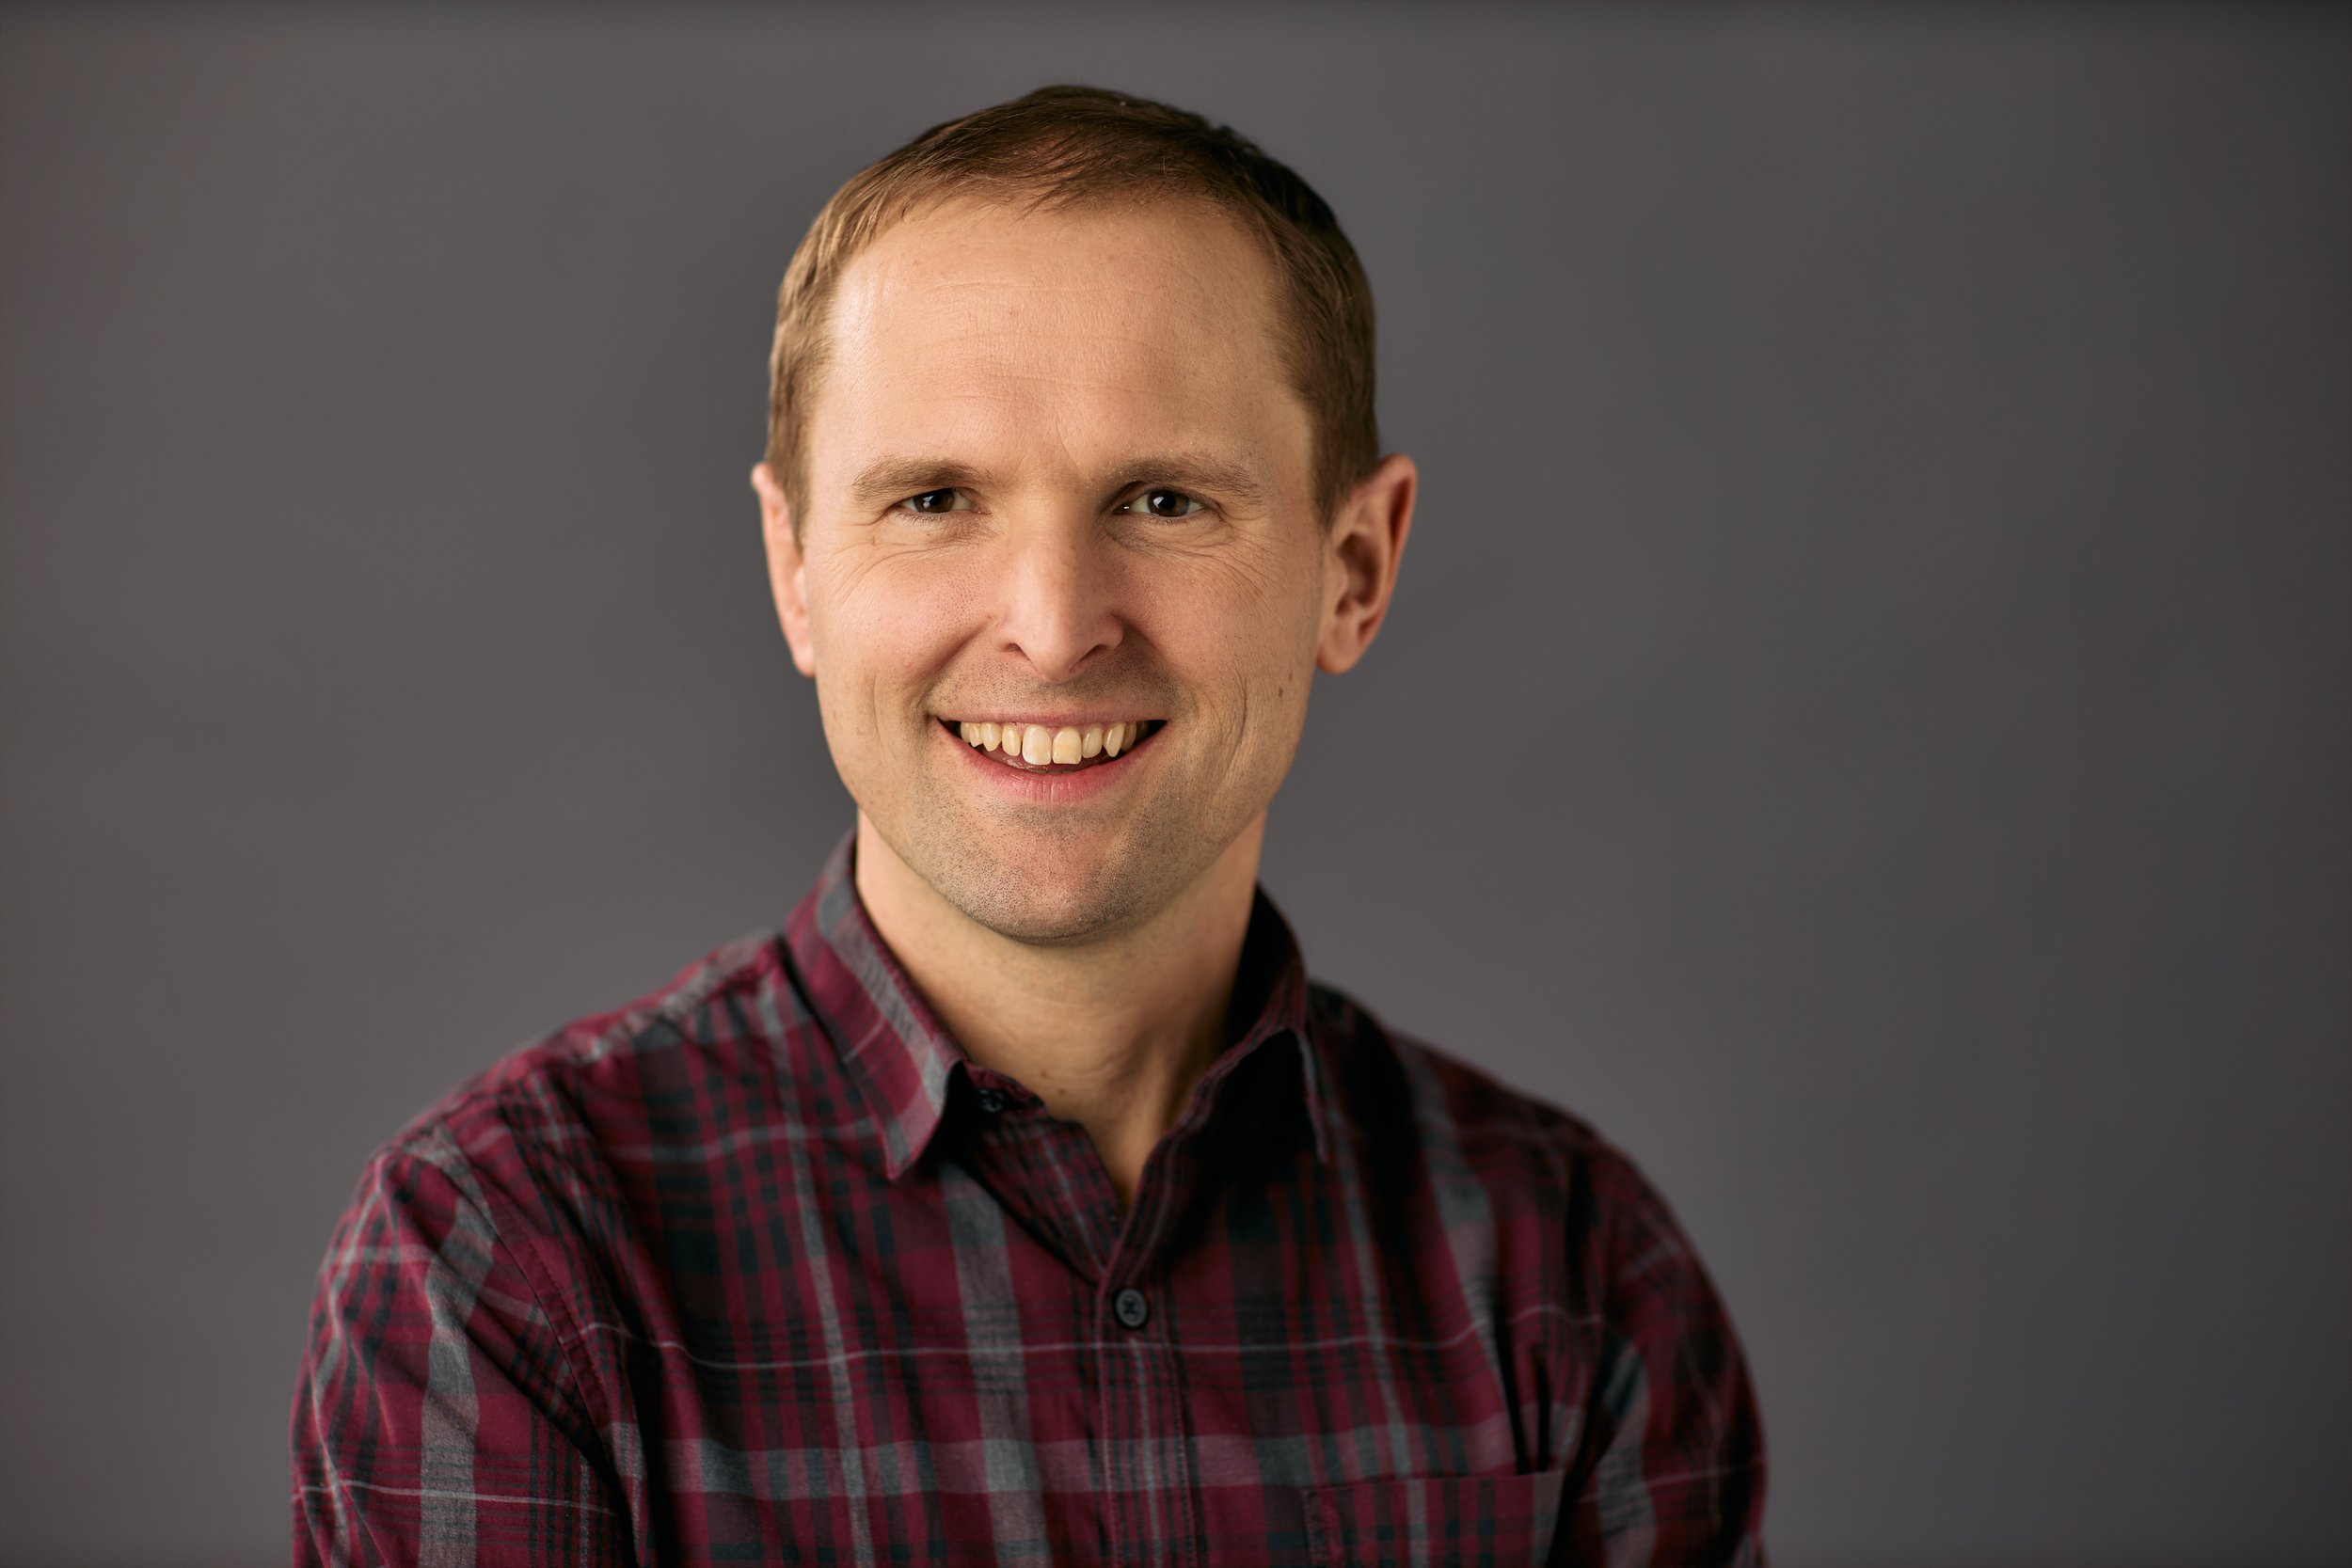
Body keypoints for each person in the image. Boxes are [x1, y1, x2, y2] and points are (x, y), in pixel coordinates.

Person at [290, 85, 1767, 1566]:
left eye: (1167, 499)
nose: (1055, 629)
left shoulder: (1574, 1282)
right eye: (935, 499)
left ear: (1355, 570)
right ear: (796, 571)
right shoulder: (509, 1263)